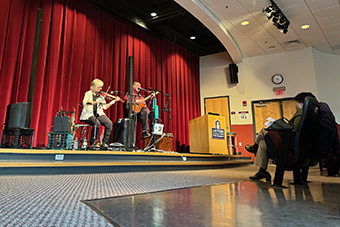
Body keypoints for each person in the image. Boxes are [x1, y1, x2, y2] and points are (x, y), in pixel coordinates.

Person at [245, 92, 316, 181]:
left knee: (264, 130)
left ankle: (254, 147)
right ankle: (262, 170)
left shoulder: (302, 113)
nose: (295, 105)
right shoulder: (312, 115)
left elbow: (294, 129)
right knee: (263, 143)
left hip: (290, 145)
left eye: (297, 103)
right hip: (303, 148)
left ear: (302, 103)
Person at [80, 79, 121, 149]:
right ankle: (92, 143)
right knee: (97, 123)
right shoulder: (88, 93)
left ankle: (104, 143)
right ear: (94, 87)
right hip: (89, 114)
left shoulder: (100, 96)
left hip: (98, 114)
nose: (101, 89)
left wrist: (114, 101)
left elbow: (105, 107)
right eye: (99, 87)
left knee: (109, 123)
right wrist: (96, 102)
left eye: (101, 87)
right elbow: (85, 102)